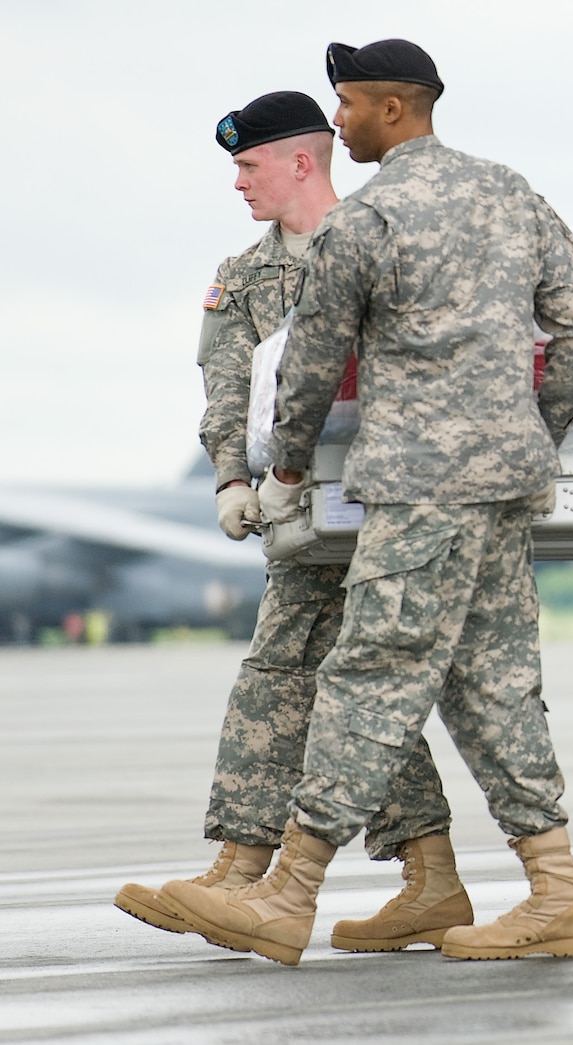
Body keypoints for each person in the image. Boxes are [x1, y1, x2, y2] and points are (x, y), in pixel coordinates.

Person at [164, 39, 573, 965]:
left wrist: (284, 472)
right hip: (507, 490)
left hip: (418, 488)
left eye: (350, 106)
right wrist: (528, 436)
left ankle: (286, 895)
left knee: (368, 677)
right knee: (494, 686)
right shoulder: (513, 194)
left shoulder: (365, 222)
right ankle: (559, 892)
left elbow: (313, 367)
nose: (340, 123)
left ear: (393, 109)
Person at [116, 92, 465, 954]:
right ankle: (407, 872)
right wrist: (232, 478)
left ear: (300, 161)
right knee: (304, 680)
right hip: (300, 515)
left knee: (314, 682)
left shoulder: (390, 235)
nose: (237, 183)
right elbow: (227, 388)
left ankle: (260, 868)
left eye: (248, 165)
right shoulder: (242, 275)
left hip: (394, 505)